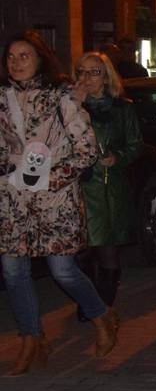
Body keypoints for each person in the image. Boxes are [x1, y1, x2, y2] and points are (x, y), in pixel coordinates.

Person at [1, 32, 117, 372]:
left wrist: (53, 178)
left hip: (55, 199)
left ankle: (101, 315)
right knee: (13, 271)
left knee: (62, 270)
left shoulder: (60, 96)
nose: (16, 63)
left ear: (40, 59)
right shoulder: (2, 98)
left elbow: (86, 150)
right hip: (13, 198)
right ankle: (32, 338)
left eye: (24, 55)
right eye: (11, 56)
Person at [73, 52, 144, 315]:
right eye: (82, 71)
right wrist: (75, 106)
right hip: (80, 187)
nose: (87, 78)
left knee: (107, 249)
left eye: (94, 72)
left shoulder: (122, 109)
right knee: (79, 252)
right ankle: (88, 301)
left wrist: (118, 157)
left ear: (106, 77)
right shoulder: (70, 107)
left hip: (109, 187)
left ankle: (103, 305)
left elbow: (136, 145)